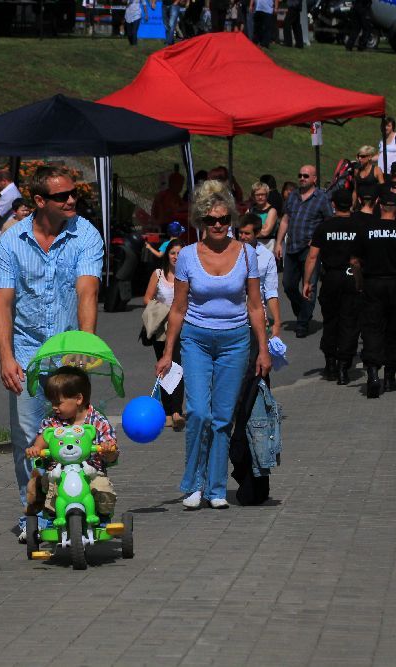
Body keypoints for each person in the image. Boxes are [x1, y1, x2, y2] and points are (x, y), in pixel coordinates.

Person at [0, 164, 102, 542]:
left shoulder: (85, 234)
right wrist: (6, 357)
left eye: (74, 193)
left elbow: (87, 291)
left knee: (75, 435)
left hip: (69, 352)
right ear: (39, 201)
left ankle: (76, 504)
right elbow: (2, 302)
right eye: (62, 196)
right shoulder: (12, 241)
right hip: (26, 351)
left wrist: (85, 347)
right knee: (29, 439)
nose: (71, 200)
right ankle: (34, 512)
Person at [155, 180, 271, 510]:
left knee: (222, 417)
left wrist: (263, 349)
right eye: (210, 220)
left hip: (235, 341)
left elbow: (255, 305)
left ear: (231, 219)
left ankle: (216, 487)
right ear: (200, 221)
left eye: (223, 219)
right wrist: (167, 353)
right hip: (196, 339)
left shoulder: (246, 254)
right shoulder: (187, 256)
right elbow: (178, 308)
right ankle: (193, 484)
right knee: (197, 412)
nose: (218, 225)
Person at [350, 190, 396, 398]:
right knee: (395, 329)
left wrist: (359, 282)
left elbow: (355, 261)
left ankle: (373, 373)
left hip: (372, 284)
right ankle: (390, 377)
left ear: (379, 206)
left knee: (372, 328)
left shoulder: (366, 230)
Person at [228, 213, 280, 505]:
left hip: (254, 333)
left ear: (257, 234)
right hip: (231, 334)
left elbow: (269, 293)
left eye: (248, 233)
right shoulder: (228, 254)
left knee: (254, 406)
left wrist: (276, 324)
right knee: (235, 408)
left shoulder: (264, 258)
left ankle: (256, 475)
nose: (243, 237)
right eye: (241, 233)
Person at [24, 366, 119, 521]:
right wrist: (36, 448)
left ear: (78, 399)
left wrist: (108, 449)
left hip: (91, 472)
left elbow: (111, 450)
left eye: (58, 403)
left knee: (103, 489)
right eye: (52, 402)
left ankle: (102, 517)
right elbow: (44, 437)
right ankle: (52, 512)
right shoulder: (53, 421)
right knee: (52, 491)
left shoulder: (98, 421)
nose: (54, 407)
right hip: (59, 472)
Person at [303, 188, 361, 384]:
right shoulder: (358, 226)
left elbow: (312, 256)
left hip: (331, 278)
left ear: (333, 205)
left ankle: (330, 363)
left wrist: (307, 282)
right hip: (352, 276)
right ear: (351, 205)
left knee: (330, 321)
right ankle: (344, 366)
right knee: (349, 322)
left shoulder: (324, 227)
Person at [275, 164, 333, 338]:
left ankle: (303, 323)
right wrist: (279, 243)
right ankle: (303, 310)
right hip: (292, 247)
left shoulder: (322, 197)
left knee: (310, 286)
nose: (302, 178)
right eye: (300, 175)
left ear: (314, 179)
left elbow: (329, 221)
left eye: (306, 176)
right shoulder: (293, 196)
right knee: (288, 285)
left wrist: (318, 238)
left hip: (310, 250)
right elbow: (285, 219)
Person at [143, 239, 186, 430]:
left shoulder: (187, 275)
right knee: (163, 367)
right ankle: (167, 412)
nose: (176, 257)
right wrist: (164, 310)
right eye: (173, 253)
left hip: (181, 327)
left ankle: (176, 411)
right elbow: (147, 298)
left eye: (179, 253)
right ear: (167, 255)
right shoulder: (158, 274)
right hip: (161, 327)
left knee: (177, 365)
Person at [247, 181, 279, 250]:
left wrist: (251, 228)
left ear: (267, 195)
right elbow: (244, 228)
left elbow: (265, 232)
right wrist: (261, 226)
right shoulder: (250, 210)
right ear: (253, 196)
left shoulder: (272, 211)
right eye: (257, 195)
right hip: (252, 245)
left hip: (268, 246)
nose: (260, 197)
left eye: (262, 194)